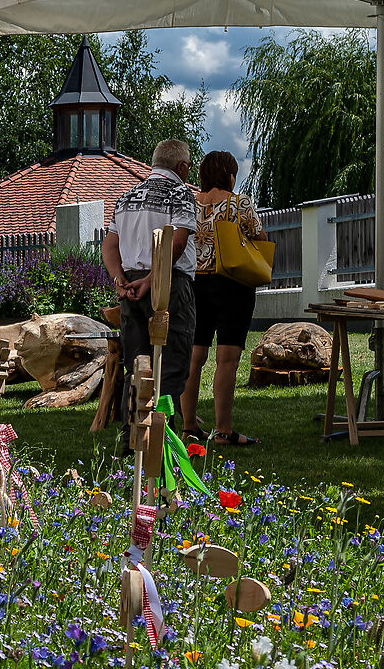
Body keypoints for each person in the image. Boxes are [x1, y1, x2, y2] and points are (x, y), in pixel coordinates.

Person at [102, 139, 197, 455]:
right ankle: (162, 442)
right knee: (170, 364)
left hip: (130, 288)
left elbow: (110, 246)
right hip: (168, 285)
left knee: (137, 364)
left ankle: (133, 438)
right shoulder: (181, 193)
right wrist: (152, 279)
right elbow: (178, 243)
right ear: (181, 167)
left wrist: (120, 280)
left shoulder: (127, 197)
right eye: (189, 166)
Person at [180, 150, 265, 446]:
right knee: (226, 359)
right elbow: (259, 238)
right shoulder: (238, 202)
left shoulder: (189, 203)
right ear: (229, 176)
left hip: (195, 284)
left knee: (194, 356)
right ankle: (224, 430)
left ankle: (189, 426)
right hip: (232, 285)